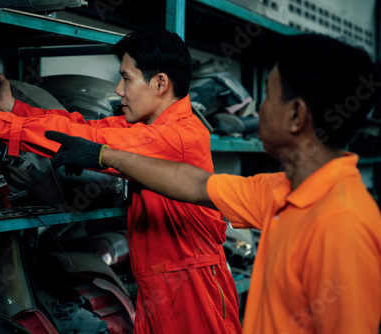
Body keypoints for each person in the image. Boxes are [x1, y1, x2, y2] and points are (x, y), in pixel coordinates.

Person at [43, 33, 381, 334]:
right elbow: (196, 183)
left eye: (268, 97)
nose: (258, 111)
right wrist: (105, 156)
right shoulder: (280, 191)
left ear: (295, 116)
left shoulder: (342, 222)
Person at [0, 30, 242, 333]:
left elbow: (94, 141)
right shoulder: (152, 127)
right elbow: (79, 126)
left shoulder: (177, 136)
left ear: (160, 84)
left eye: (126, 79)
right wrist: (13, 109)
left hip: (192, 289)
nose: (119, 90)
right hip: (162, 286)